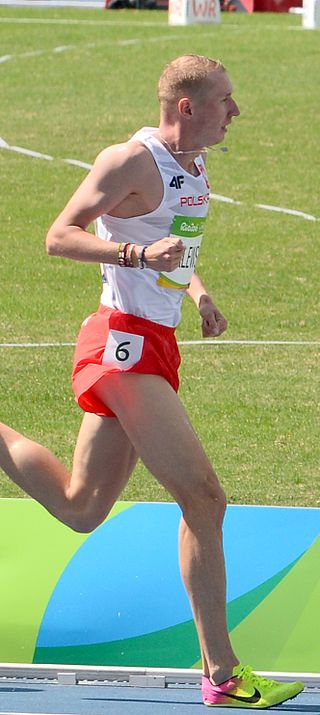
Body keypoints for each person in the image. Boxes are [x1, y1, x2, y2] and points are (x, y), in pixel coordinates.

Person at [0, 55, 303, 708]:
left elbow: (177, 244)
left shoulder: (195, 166)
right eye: (226, 99)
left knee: (81, 508)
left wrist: (197, 291)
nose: (237, 111)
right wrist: (135, 254)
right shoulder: (130, 161)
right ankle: (222, 675)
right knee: (205, 497)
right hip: (121, 345)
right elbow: (59, 235)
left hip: (156, 343)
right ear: (187, 106)